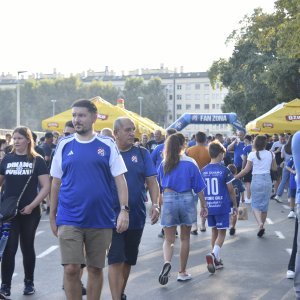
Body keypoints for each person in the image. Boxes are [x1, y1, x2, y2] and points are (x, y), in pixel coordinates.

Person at [49, 99, 129, 300]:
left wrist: (124, 210)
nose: (77, 119)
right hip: (69, 217)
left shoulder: (107, 144)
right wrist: (52, 215)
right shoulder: (64, 145)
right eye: (74, 115)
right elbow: (55, 182)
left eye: (81, 115)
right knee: (71, 269)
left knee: (94, 269)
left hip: (100, 218)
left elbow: (120, 180)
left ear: (94, 117)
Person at [108, 117, 160, 300]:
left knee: (128, 260)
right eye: (128, 130)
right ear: (116, 133)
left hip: (136, 215)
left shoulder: (142, 153)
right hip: (111, 215)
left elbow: (152, 182)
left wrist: (155, 204)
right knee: (115, 259)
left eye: (133, 130)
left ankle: (120, 292)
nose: (133, 133)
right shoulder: (108, 152)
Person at [0, 127, 50, 298]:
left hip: (30, 212)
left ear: (28, 140)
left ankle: (29, 283)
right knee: (9, 249)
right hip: (9, 213)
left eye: (20, 138)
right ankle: (5, 286)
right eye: (14, 138)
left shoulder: (37, 160)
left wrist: (32, 205)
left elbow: (46, 187)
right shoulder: (7, 159)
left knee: (27, 247)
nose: (16, 141)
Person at [157, 133, 207, 285]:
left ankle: (167, 261)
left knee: (169, 239)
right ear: (183, 145)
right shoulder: (191, 162)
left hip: (169, 199)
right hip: (186, 198)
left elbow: (160, 187)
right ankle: (182, 272)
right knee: (185, 238)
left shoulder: (164, 163)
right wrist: (204, 205)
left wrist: (158, 205)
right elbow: (199, 188)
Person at [202, 141, 237, 274]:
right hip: (222, 205)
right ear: (221, 154)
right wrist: (234, 204)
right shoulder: (224, 170)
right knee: (222, 233)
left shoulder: (203, 170)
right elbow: (231, 190)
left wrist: (204, 205)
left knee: (214, 232)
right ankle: (213, 255)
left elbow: (201, 190)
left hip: (209, 206)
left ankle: (216, 259)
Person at [235, 135, 276, 237]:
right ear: (265, 144)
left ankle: (260, 224)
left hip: (257, 180)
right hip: (267, 180)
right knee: (265, 206)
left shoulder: (252, 155)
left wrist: (235, 177)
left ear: (255, 143)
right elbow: (274, 168)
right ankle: (262, 224)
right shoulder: (271, 154)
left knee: (255, 205)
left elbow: (246, 170)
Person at [186, 131, 211, 234]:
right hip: (206, 179)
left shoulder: (189, 150)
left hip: (192, 179)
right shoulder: (209, 150)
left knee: (193, 203)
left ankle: (194, 225)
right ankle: (203, 225)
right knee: (204, 203)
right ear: (205, 139)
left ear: (195, 139)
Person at [273, 135, 293, 204]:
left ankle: (278, 195)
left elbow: (282, 156)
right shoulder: (295, 147)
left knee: (283, 181)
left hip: (285, 164)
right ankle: (290, 198)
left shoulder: (284, 146)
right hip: (292, 165)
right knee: (291, 181)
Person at [227, 164, 245, 236]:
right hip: (236, 201)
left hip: (228, 200)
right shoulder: (238, 181)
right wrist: (243, 198)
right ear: (236, 172)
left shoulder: (227, 181)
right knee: (235, 214)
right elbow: (242, 190)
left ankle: (229, 224)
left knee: (228, 213)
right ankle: (233, 226)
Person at [270, 133, 286, 197]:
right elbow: (270, 152)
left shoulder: (287, 143)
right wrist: (277, 151)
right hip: (277, 163)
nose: (282, 141)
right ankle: (276, 193)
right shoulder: (275, 144)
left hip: (285, 163)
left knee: (284, 179)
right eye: (281, 139)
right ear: (279, 138)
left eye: (283, 139)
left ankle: (284, 194)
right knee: (277, 179)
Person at [241, 135, 253, 203]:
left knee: (247, 183)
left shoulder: (245, 148)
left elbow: (244, 160)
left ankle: (248, 198)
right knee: (252, 182)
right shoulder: (254, 147)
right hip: (255, 167)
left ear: (246, 140)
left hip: (248, 166)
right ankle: (251, 197)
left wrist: (242, 168)